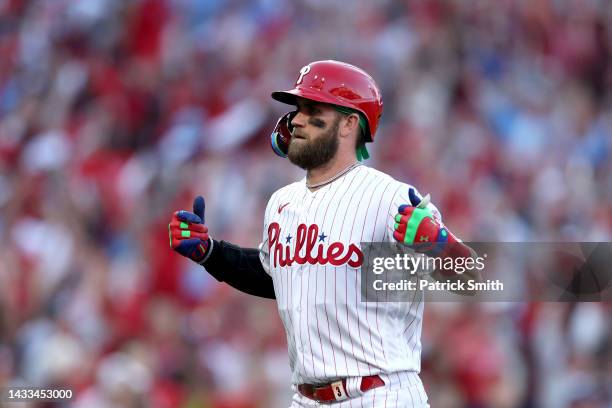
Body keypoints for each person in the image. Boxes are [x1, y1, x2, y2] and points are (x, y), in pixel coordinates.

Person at [168, 60, 477, 407]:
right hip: (305, 398)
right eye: (297, 110)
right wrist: (212, 253)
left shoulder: (390, 197)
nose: (296, 120)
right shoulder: (281, 202)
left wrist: (439, 246)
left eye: (313, 110)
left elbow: (473, 278)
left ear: (348, 124)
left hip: (379, 394)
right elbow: (279, 278)